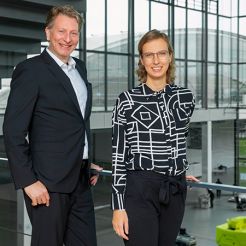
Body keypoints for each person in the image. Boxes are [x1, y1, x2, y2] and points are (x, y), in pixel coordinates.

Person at [3, 5, 102, 246]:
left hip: (80, 179)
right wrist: (28, 182)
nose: (67, 39)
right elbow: (13, 132)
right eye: (61, 31)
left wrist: (86, 158)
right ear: (48, 33)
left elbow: (77, 121)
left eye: (74, 33)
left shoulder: (79, 67)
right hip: (46, 183)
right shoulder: (31, 70)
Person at [111, 29, 199, 246]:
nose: (156, 60)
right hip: (139, 190)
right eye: (149, 55)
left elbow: (179, 140)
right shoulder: (127, 100)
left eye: (161, 53)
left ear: (170, 56)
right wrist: (118, 207)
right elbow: (119, 156)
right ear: (142, 60)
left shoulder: (186, 98)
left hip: (174, 188)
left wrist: (177, 168)